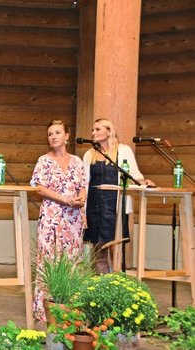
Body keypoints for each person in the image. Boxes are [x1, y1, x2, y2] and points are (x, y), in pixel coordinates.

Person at [30, 120, 87, 321]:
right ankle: (44, 308)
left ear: (67, 136)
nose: (53, 136)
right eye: (49, 134)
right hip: (51, 215)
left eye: (57, 132)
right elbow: (39, 187)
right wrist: (64, 199)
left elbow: (82, 186)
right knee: (48, 258)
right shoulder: (43, 161)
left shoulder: (77, 161)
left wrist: (81, 201)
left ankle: (71, 305)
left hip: (73, 218)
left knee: (72, 259)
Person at [82, 118, 155, 273]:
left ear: (109, 131)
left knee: (115, 245)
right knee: (98, 247)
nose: (93, 133)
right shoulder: (89, 154)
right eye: (93, 130)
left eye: (98, 129)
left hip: (115, 205)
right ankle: (101, 282)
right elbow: (83, 182)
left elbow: (133, 174)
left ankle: (117, 279)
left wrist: (143, 182)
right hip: (94, 205)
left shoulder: (123, 150)